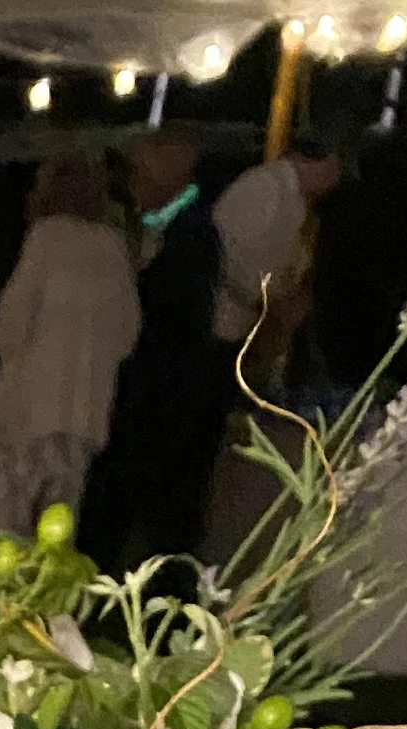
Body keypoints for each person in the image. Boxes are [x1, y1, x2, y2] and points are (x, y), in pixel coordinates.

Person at [0, 149, 139, 543]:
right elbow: (127, 334)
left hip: (27, 411)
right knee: (54, 536)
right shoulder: (113, 247)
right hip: (85, 417)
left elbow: (11, 326)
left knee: (0, 529)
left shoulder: (46, 237)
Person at [78, 130, 224, 572]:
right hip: (143, 393)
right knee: (114, 504)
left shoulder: (194, 232)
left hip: (167, 398)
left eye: (140, 173)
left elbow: (174, 318)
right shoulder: (152, 224)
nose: (132, 183)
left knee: (165, 517)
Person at [212, 128, 343, 371]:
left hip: (246, 326)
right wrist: (274, 301)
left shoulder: (295, 198)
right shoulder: (264, 187)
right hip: (221, 322)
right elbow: (233, 257)